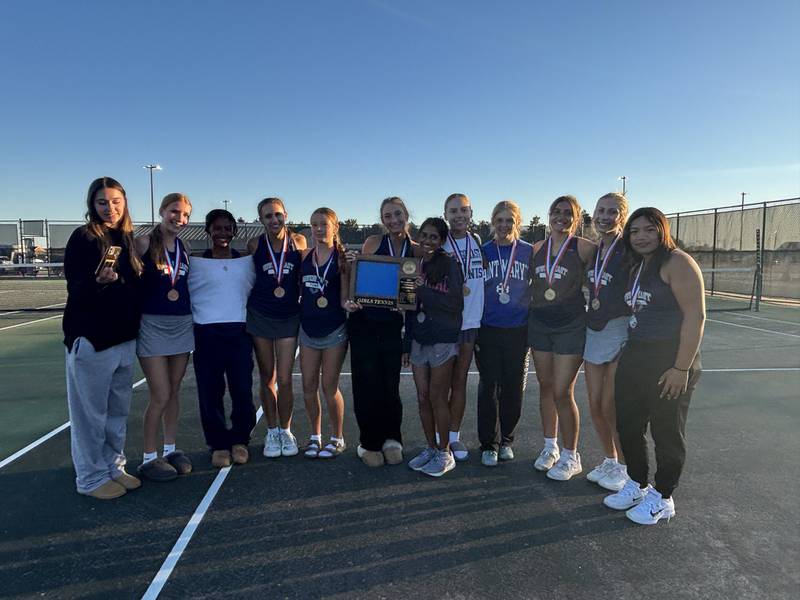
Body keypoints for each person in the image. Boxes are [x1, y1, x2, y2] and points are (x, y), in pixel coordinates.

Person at [603, 207, 704, 525]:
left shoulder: (678, 262)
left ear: (662, 231)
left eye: (649, 229)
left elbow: (696, 317)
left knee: (666, 432)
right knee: (629, 425)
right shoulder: (639, 264)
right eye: (634, 231)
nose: (642, 236)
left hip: (669, 360)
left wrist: (681, 368)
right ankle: (637, 483)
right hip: (637, 355)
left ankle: (663, 497)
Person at [63, 177, 143, 499]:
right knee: (89, 416)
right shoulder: (83, 237)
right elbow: (75, 288)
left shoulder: (127, 238)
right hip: (93, 341)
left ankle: (113, 466)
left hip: (124, 341)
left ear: (124, 202)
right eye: (102, 203)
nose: (110, 208)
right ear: (92, 205)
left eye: (115, 201)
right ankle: (90, 478)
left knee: (116, 413)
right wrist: (98, 281)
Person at [529, 195, 596, 481]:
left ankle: (572, 455)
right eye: (556, 212)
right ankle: (550, 447)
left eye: (568, 213)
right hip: (540, 325)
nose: (561, 217)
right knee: (545, 387)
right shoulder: (536, 249)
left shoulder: (584, 248)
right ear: (548, 215)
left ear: (577, 218)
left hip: (570, 327)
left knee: (562, 391)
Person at [347, 197, 416, 467]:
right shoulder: (373, 243)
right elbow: (359, 276)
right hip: (364, 324)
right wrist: (353, 266)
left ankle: (392, 438)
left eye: (397, 214)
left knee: (390, 385)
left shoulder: (417, 249)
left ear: (406, 214)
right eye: (388, 216)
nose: (394, 220)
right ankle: (369, 442)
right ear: (382, 220)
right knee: (366, 385)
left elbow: (413, 296)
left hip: (392, 328)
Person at [188, 209, 257, 468]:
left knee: (242, 390)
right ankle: (217, 443)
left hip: (239, 334)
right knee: (210, 392)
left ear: (234, 231)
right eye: (217, 228)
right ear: (208, 231)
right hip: (206, 335)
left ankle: (240, 440)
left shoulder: (246, 263)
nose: (223, 233)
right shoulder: (195, 263)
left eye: (228, 228)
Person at [134, 193, 194, 481]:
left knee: (174, 390)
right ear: (161, 211)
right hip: (152, 326)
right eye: (174, 212)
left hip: (181, 325)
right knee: (159, 394)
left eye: (184, 215)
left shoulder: (185, 246)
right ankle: (148, 456)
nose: (179, 219)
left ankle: (170, 449)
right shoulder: (143, 242)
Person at [246, 198, 307, 459]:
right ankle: (271, 431)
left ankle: (286, 429)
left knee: (284, 378)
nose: (274, 220)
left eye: (278, 215)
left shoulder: (299, 242)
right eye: (268, 216)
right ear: (261, 220)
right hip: (260, 315)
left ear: (286, 215)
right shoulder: (255, 244)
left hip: (289, 316)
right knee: (267, 377)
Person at [476, 201, 533, 467]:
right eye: (499, 220)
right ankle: (489, 443)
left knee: (512, 388)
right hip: (488, 327)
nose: (503, 225)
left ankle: (507, 439)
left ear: (517, 222)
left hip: (518, 329)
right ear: (492, 222)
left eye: (509, 220)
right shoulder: (483, 252)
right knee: (489, 387)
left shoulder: (528, 252)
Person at [406, 217, 464, 477]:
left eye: (434, 237)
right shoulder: (413, 265)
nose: (428, 241)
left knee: (439, 397)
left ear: (442, 241)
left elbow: (455, 303)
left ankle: (444, 451)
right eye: (424, 236)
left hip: (442, 338)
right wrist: (405, 344)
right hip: (419, 338)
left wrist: (423, 291)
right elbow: (407, 306)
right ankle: (430, 447)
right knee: (422, 397)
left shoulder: (450, 265)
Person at [582, 193, 630, 491]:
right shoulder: (594, 249)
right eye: (600, 210)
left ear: (621, 216)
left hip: (621, 329)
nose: (604, 216)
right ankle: (610, 460)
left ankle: (626, 468)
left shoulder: (629, 249)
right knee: (595, 404)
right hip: (594, 329)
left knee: (611, 405)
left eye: (612, 212)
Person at [299, 208, 350, 459]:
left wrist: (349, 304)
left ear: (335, 227)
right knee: (308, 385)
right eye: (314, 224)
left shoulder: (343, 259)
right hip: (308, 330)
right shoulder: (305, 257)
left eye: (324, 224)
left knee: (329, 387)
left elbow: (344, 298)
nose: (319, 229)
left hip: (334, 331)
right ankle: (314, 436)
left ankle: (337, 437)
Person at [442, 193, 484, 461]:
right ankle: (439, 437)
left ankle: (454, 437)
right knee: (440, 385)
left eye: (464, 210)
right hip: (444, 325)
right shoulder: (439, 243)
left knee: (459, 383)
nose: (459, 215)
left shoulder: (478, 243)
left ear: (471, 213)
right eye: (453, 211)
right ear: (446, 214)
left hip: (470, 324)